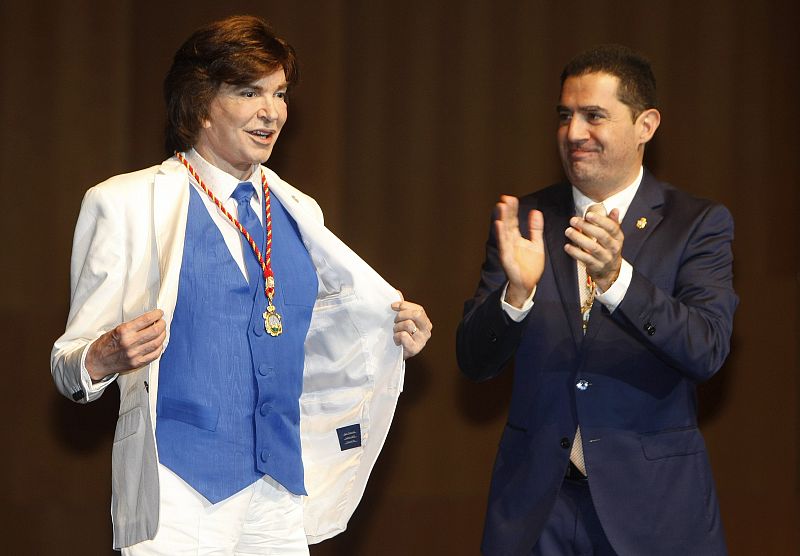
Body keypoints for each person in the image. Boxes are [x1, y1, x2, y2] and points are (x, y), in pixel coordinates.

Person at [51, 15, 431, 555]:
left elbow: (327, 337)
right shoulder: (126, 203)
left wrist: (394, 332)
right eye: (249, 92)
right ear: (201, 104)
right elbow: (68, 364)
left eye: (279, 93)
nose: (271, 111)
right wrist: (104, 357)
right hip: (178, 492)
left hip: (280, 492)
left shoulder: (300, 213)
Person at [456, 44, 737, 555]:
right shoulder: (527, 221)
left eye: (594, 116)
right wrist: (515, 296)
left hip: (653, 512)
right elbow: (474, 363)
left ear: (645, 125)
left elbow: (707, 350)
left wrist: (618, 280)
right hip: (538, 511)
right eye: (565, 116)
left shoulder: (696, 224)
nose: (573, 133)